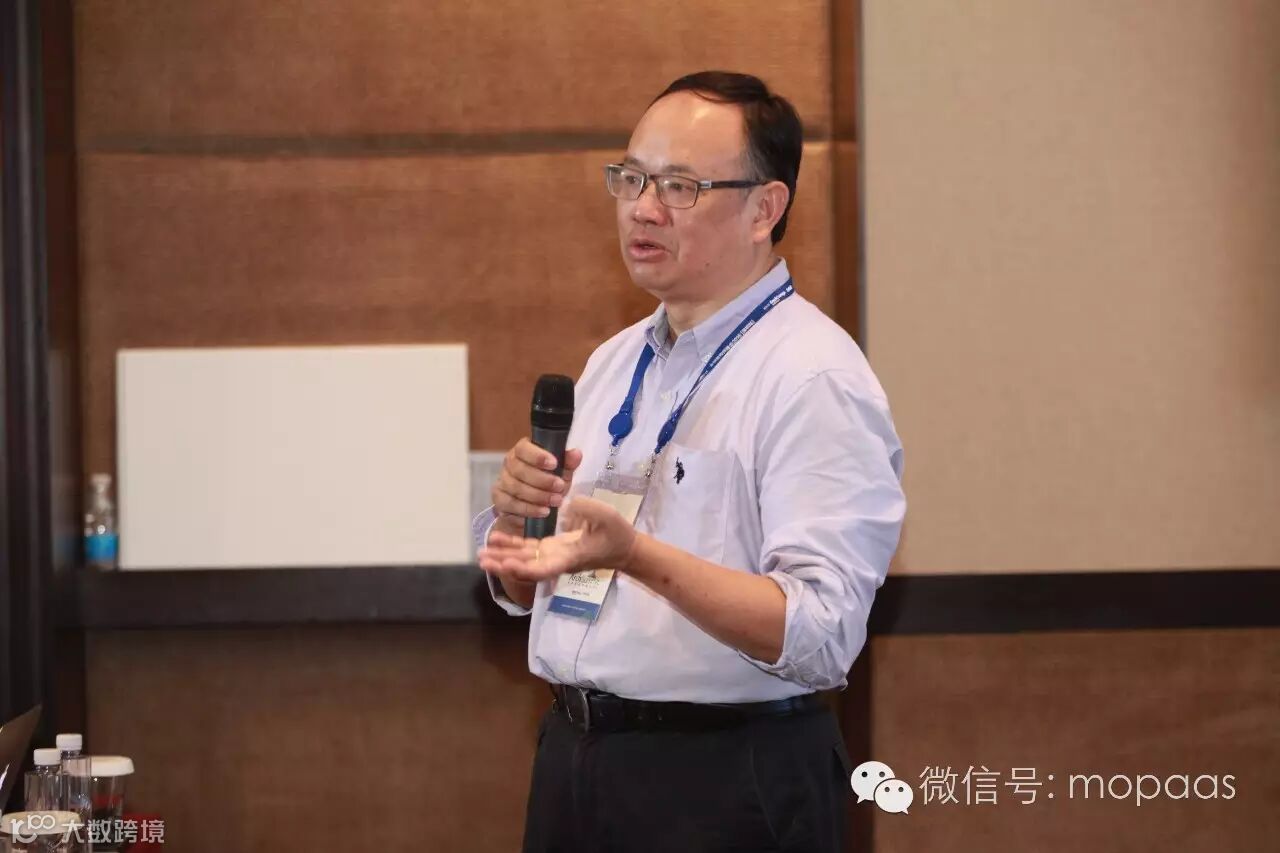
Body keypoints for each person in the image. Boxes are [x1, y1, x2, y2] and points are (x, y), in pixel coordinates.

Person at [475, 70, 906, 853]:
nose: (643, 207)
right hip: (576, 760)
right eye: (632, 178)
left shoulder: (811, 375)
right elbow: (535, 586)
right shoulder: (614, 361)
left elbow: (821, 631)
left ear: (764, 209)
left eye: (680, 186)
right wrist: (517, 530)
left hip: (726, 780)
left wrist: (636, 554)